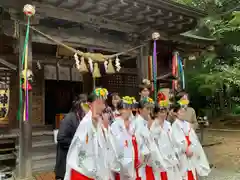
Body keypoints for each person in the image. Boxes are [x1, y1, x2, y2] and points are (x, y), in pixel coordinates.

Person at [64, 88, 111, 180]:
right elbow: (85, 142)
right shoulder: (87, 121)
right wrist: (94, 123)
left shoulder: (99, 120)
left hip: (97, 169)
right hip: (84, 171)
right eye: (99, 103)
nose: (103, 107)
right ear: (89, 105)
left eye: (103, 103)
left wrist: (105, 128)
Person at [111, 96, 150, 180]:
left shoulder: (134, 123)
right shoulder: (115, 125)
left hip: (137, 164)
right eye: (126, 108)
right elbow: (116, 147)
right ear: (120, 110)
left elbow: (142, 141)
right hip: (123, 166)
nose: (128, 110)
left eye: (130, 108)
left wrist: (142, 156)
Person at [170, 97, 211, 180]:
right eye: (180, 111)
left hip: (192, 152)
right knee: (184, 174)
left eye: (184, 111)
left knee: (193, 172)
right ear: (176, 113)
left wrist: (194, 149)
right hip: (183, 154)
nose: (183, 113)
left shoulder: (188, 124)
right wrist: (185, 149)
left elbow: (194, 139)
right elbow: (176, 142)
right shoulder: (174, 126)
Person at [55, 94, 89, 180]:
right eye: (85, 103)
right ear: (80, 104)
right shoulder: (69, 118)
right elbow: (61, 138)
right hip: (65, 160)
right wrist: (77, 142)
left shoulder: (83, 118)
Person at [150, 92, 181, 180]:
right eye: (161, 112)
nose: (163, 114)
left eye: (165, 111)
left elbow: (173, 139)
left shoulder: (168, 124)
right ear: (156, 113)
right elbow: (153, 142)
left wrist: (176, 150)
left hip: (171, 154)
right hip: (160, 156)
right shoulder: (153, 125)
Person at [134, 97, 166, 180]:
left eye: (151, 109)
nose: (149, 111)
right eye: (147, 108)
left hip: (152, 158)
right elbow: (139, 141)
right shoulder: (137, 123)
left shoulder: (147, 121)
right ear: (140, 110)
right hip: (144, 159)